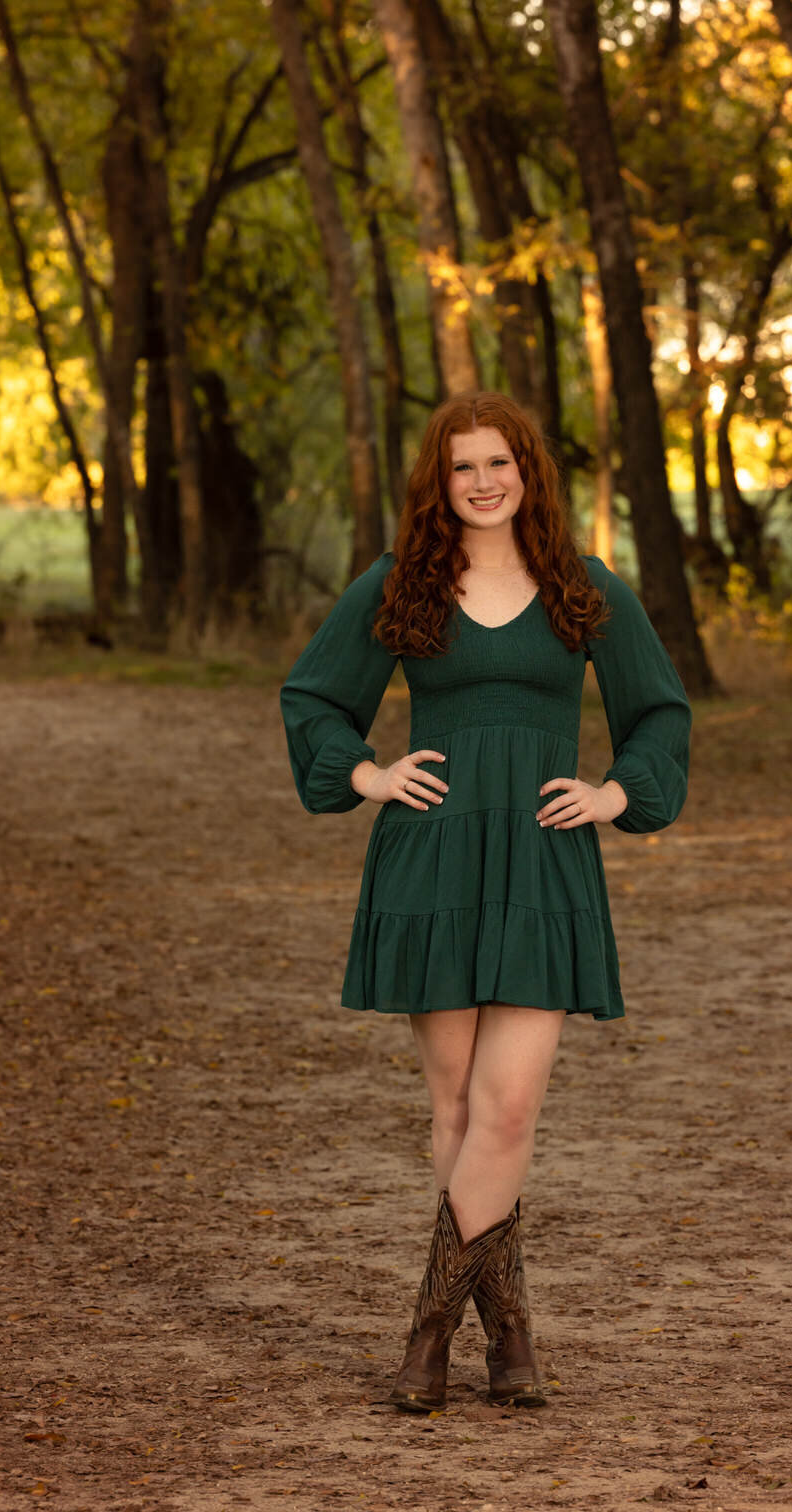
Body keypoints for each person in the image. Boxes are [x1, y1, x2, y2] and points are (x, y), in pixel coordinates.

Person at [280, 391, 691, 1412]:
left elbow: (658, 713)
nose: (480, 482)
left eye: (497, 464)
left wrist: (611, 791)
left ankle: (424, 1344)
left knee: (505, 1105)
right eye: (462, 467)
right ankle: (508, 1334)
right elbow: (314, 697)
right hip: (431, 858)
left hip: (541, 861)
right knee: (457, 1107)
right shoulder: (400, 582)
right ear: (439, 478)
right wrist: (367, 774)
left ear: (527, 471)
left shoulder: (581, 587)